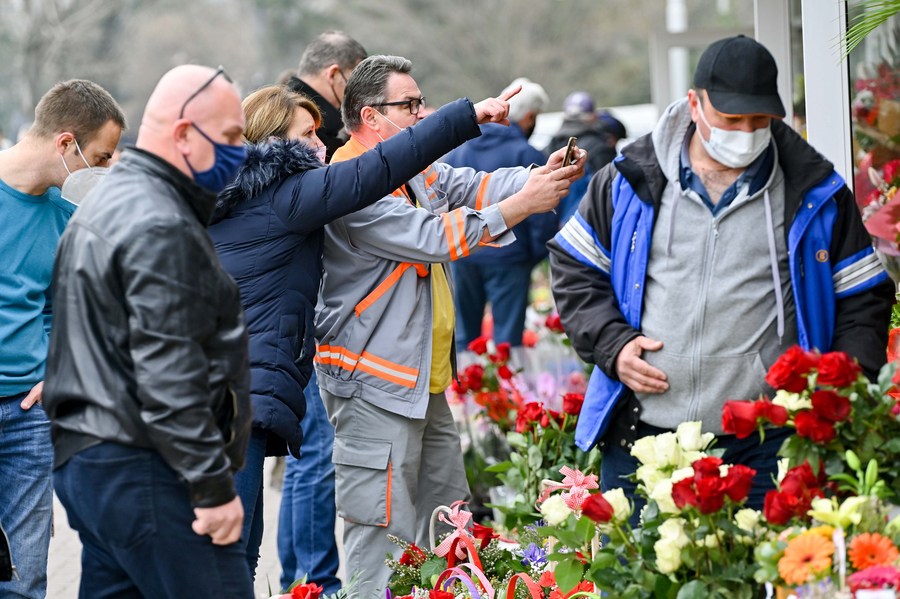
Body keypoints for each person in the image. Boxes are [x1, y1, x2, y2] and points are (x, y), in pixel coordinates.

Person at [548, 35, 894, 520]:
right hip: (644, 439)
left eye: (760, 121)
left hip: (765, 446)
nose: (747, 133)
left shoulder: (814, 191)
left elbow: (864, 299)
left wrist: (833, 397)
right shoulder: (628, 179)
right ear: (695, 104)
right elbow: (575, 267)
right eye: (732, 120)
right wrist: (613, 344)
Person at [316, 54, 585, 597]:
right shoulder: (350, 182)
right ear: (371, 116)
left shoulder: (409, 170)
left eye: (420, 102)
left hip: (422, 382)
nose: (422, 114)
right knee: (380, 536)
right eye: (409, 105)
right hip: (375, 388)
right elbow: (436, 236)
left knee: (449, 524)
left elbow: (471, 185)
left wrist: (538, 175)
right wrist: (521, 206)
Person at [208, 82, 498, 584]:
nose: (322, 145)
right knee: (233, 549)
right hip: (241, 390)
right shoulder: (289, 195)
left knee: (239, 546)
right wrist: (464, 116)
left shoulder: (242, 195)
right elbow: (377, 170)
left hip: (230, 385)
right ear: (277, 142)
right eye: (309, 134)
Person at [43, 65, 255, 598]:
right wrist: (211, 487)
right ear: (184, 134)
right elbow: (169, 369)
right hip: (148, 465)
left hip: (95, 462)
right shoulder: (158, 221)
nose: (240, 152)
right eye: (230, 137)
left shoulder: (108, 204)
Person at [0, 79, 123, 599]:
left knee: (25, 580)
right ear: (66, 144)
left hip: (28, 416)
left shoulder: (66, 219)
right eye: (102, 156)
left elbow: (65, 310)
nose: (107, 170)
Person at [442, 77, 558, 353]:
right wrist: (533, 254)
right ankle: (507, 394)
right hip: (510, 257)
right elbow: (544, 213)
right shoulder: (527, 153)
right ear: (529, 117)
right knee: (507, 342)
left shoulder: (459, 151)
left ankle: (465, 393)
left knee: (464, 338)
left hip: (464, 253)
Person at [284, 30, 368, 161]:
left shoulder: (278, 109)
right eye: (355, 82)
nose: (358, 92)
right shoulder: (301, 123)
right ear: (333, 74)